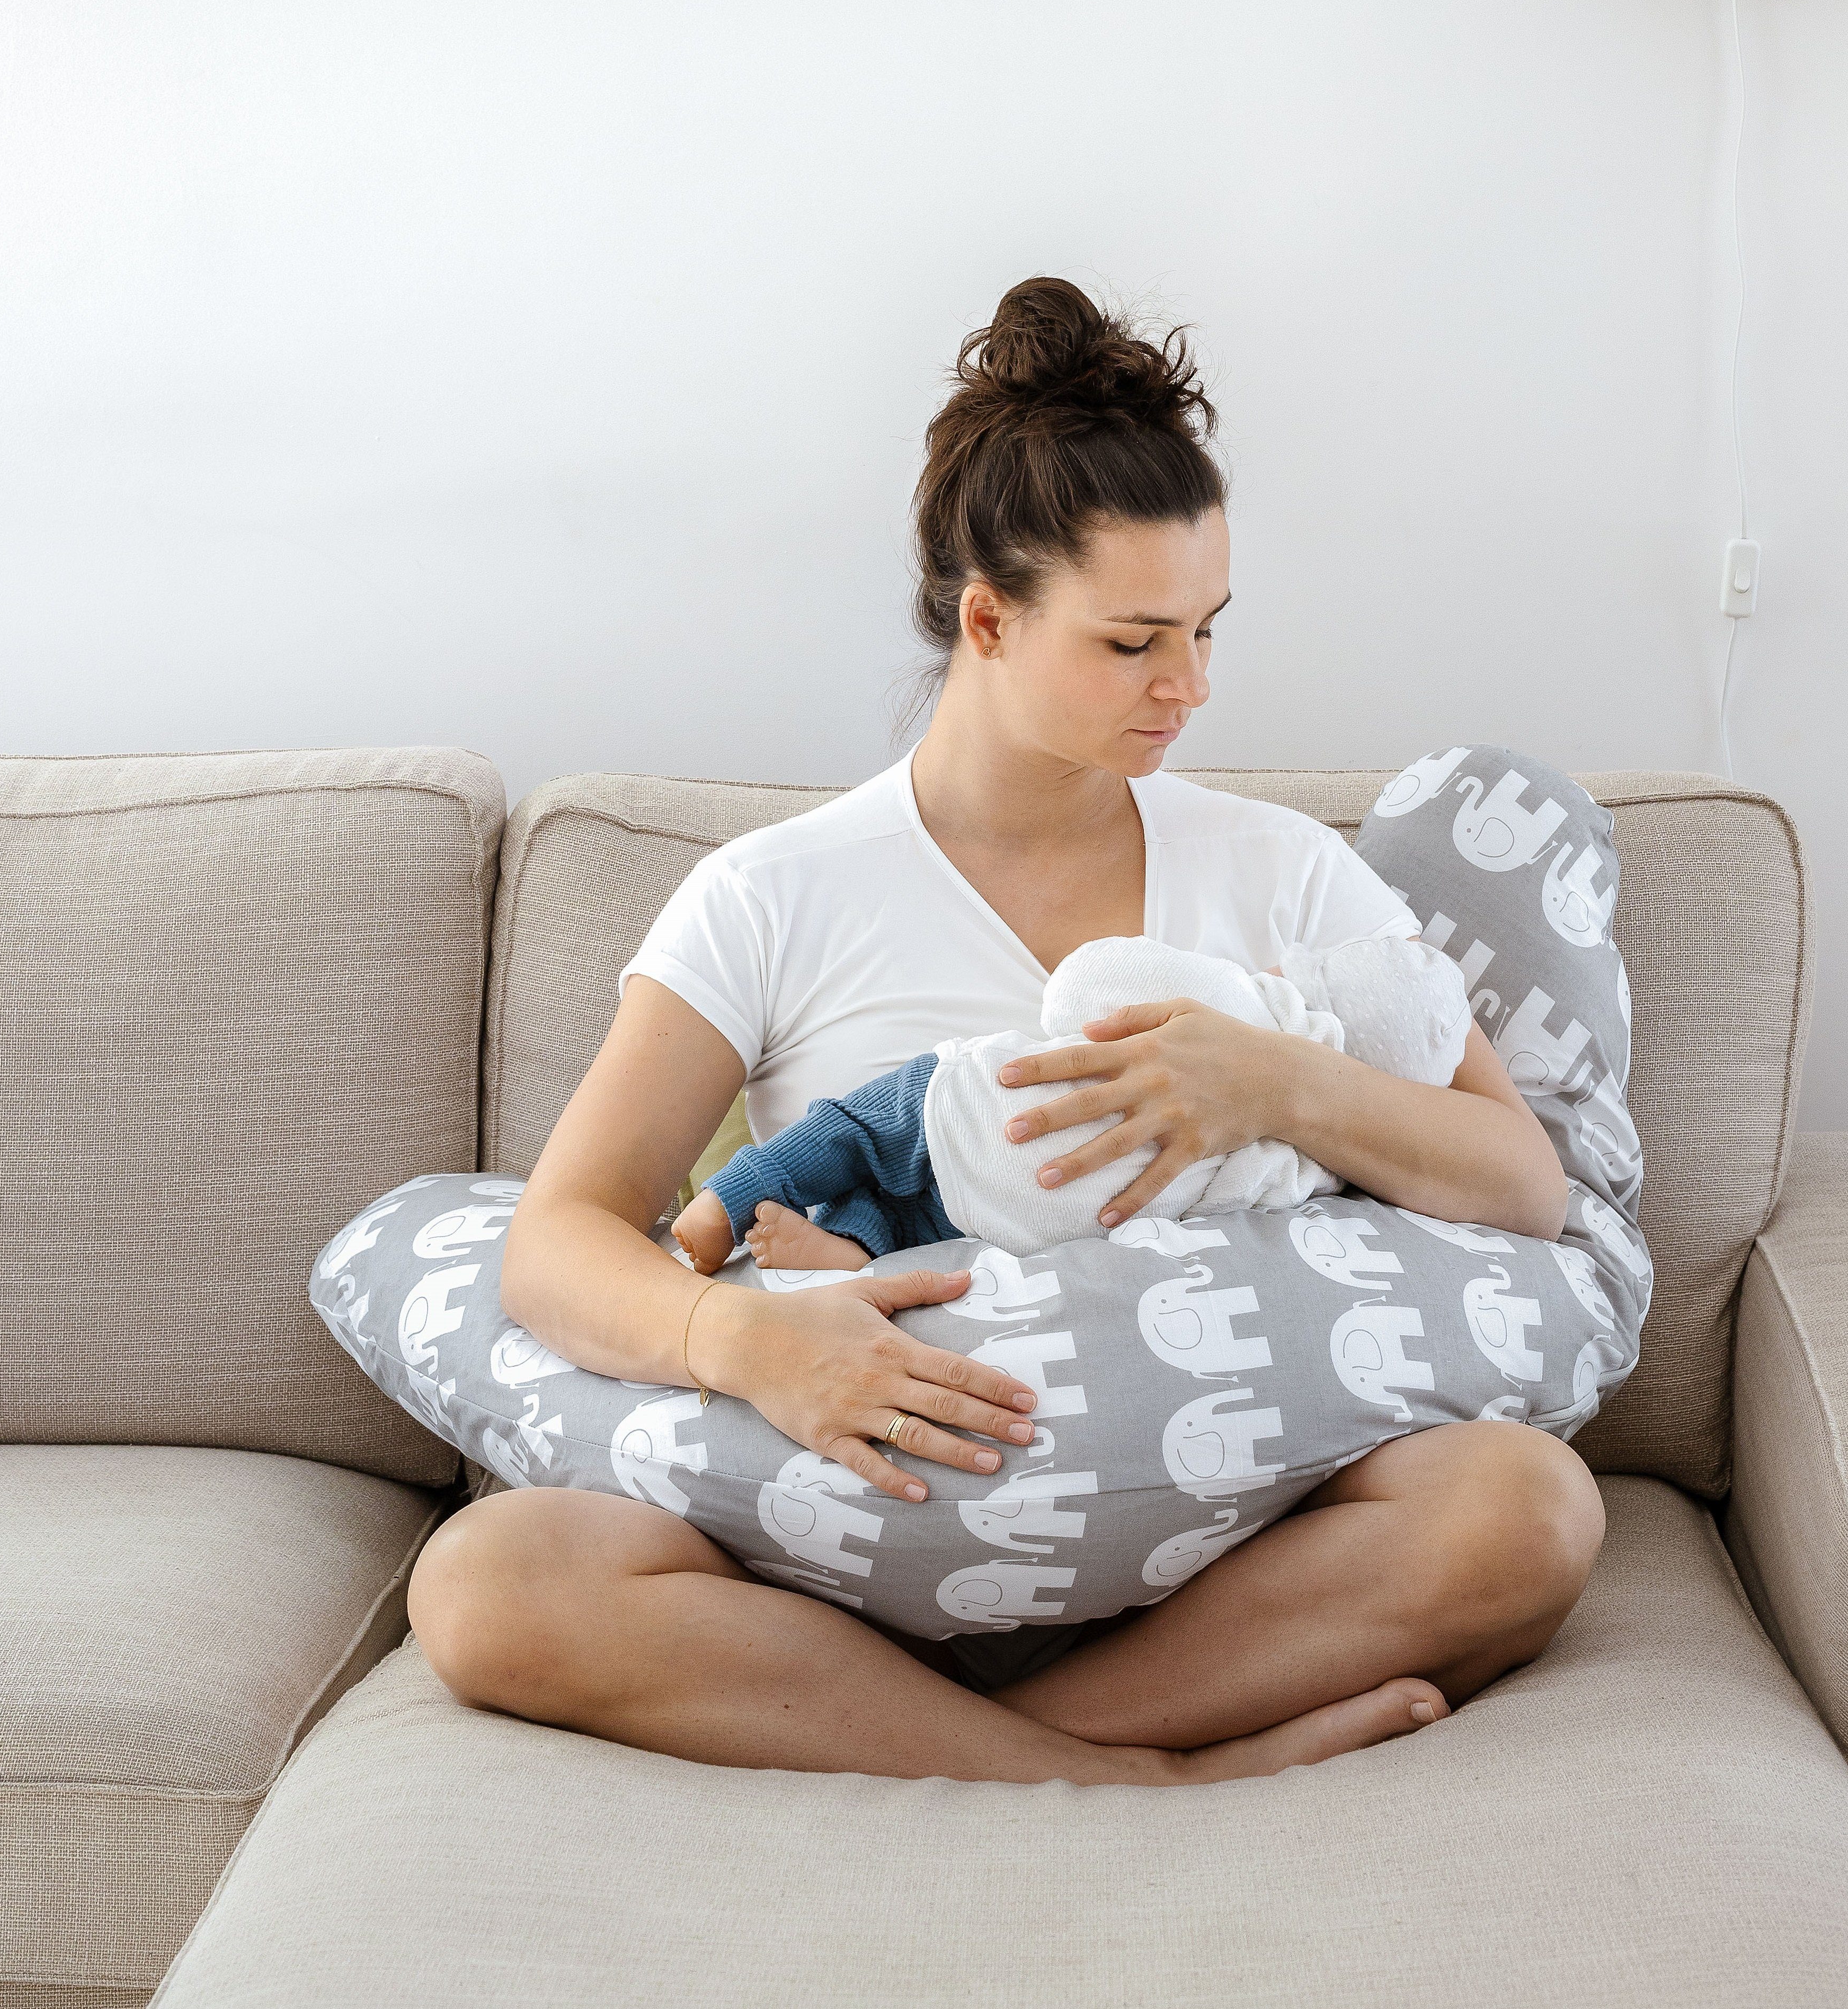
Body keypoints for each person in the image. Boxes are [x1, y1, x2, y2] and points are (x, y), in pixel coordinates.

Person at [405, 275, 1604, 1787]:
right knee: (488, 1584)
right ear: (988, 618)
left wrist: (1280, 1084)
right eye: (1133, 642)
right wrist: (736, 1338)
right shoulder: (771, 895)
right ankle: (1126, 1770)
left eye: (1209, 631)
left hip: (1222, 1563)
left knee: (1527, 1508)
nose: (1191, 686)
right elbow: (557, 1236)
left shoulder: (1280, 870)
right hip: (854, 1564)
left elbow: (1523, 1182)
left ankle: (1007, 1751)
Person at [668, 927, 1474, 1271]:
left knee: (852, 1134)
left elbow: (1081, 991)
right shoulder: (1319, 1172)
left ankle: (727, 1201)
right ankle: (858, 1254)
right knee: (938, 1240)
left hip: (972, 1104)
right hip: (1034, 1218)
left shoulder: (1239, 1001)